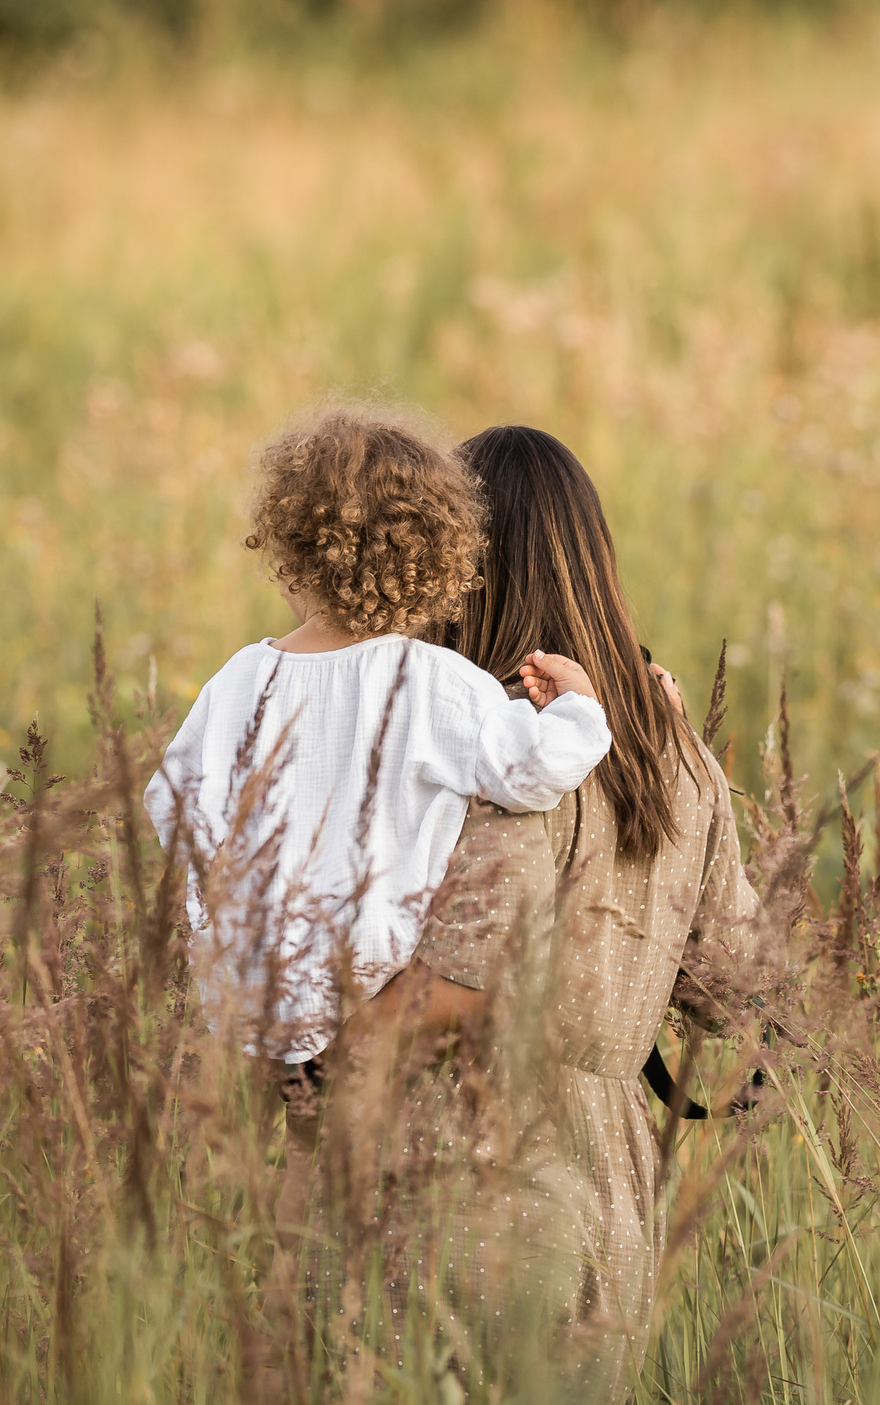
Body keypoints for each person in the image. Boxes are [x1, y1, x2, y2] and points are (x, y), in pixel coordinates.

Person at [330, 424, 771, 1400]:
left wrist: (309, 1059)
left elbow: (457, 977)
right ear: (596, 564)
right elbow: (739, 991)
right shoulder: (673, 749)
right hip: (611, 1203)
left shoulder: (492, 745)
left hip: (467, 1183)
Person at [141, 406, 613, 1081]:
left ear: (289, 550)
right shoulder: (442, 685)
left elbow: (174, 803)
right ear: (439, 564)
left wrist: (214, 915)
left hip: (246, 986)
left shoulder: (242, 678)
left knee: (283, 1167)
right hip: (369, 975)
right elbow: (536, 771)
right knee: (335, 1160)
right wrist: (578, 706)